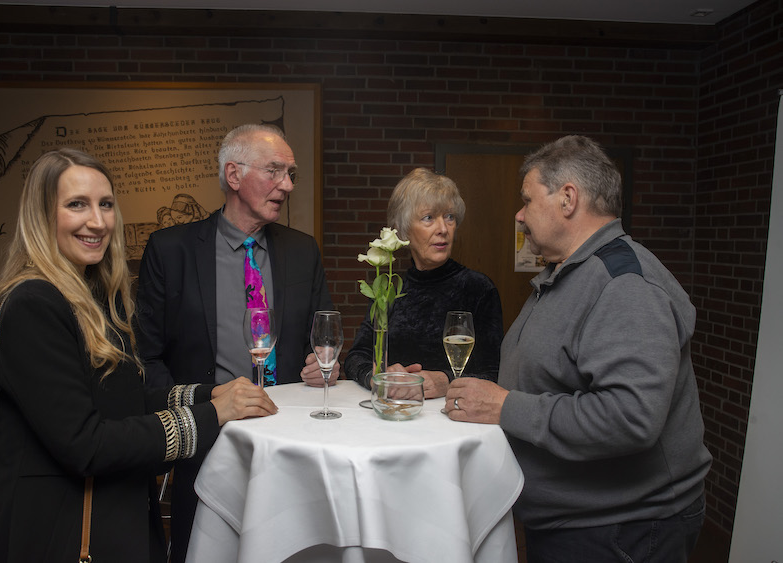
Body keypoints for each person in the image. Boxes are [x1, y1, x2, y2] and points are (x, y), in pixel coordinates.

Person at [0, 148, 277, 563]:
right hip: (62, 538)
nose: (97, 222)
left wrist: (208, 394)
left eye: (105, 205)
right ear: (41, 216)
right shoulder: (31, 304)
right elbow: (87, 445)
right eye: (76, 205)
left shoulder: (91, 298)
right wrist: (211, 415)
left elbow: (121, 400)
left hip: (115, 524)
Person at [445, 135, 712, 562]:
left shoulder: (624, 284)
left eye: (527, 200)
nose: (519, 215)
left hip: (621, 531)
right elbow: (546, 375)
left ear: (568, 199)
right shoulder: (572, 273)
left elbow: (629, 418)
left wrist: (505, 407)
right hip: (578, 524)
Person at [136, 123, 336, 562]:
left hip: (291, 444)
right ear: (233, 175)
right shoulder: (171, 251)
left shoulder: (303, 250)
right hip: (206, 446)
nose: (287, 185)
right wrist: (189, 423)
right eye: (274, 171)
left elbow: (323, 335)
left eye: (291, 174)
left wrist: (322, 361)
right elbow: (146, 357)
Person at [344, 167, 503, 399]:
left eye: (449, 217)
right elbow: (356, 357)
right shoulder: (389, 289)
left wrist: (446, 381)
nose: (443, 229)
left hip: (452, 413)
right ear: (404, 229)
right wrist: (378, 375)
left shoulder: (478, 289)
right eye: (429, 218)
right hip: (395, 410)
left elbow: (493, 372)